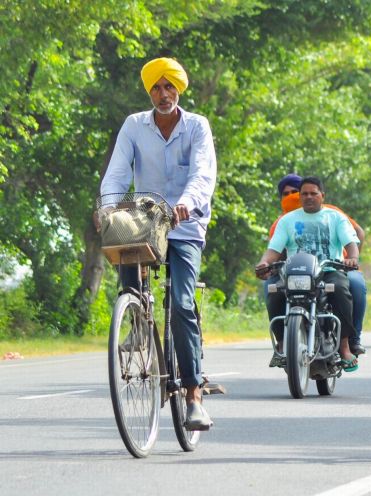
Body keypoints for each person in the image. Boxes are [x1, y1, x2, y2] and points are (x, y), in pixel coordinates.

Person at [100, 57, 217, 429]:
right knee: (122, 246)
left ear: (179, 89)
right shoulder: (134, 125)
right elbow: (117, 173)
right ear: (148, 91)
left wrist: (187, 203)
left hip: (184, 224)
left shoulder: (197, 126)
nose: (163, 94)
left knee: (181, 304)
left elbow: (202, 172)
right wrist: (107, 208)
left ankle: (194, 394)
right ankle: (135, 318)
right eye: (156, 88)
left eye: (169, 87)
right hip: (146, 221)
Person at [254, 176, 361, 371]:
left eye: (314, 193)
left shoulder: (335, 217)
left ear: (322, 196)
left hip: (329, 270)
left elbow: (351, 244)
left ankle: (344, 347)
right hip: (296, 273)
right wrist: (264, 262)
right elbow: (274, 249)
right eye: (304, 194)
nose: (309, 197)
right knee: (274, 292)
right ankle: (281, 344)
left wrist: (352, 258)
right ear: (300, 196)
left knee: (340, 289)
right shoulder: (287, 220)